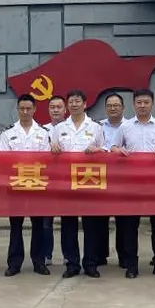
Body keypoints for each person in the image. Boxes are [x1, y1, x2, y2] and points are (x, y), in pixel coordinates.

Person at [111, 88, 155, 278]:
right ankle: (132, 265)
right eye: (139, 102)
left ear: (152, 104)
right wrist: (119, 151)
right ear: (133, 104)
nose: (143, 105)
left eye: (146, 102)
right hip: (132, 184)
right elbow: (113, 147)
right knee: (130, 227)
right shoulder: (125, 126)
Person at [52, 89, 106, 278]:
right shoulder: (59, 128)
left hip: (89, 181)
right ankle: (72, 264)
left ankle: (90, 263)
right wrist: (52, 148)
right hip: (66, 182)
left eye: (77, 101)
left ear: (85, 104)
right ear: (67, 106)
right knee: (68, 225)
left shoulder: (96, 127)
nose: (74, 104)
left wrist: (97, 149)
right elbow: (51, 154)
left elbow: (105, 150)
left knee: (91, 225)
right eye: (71, 102)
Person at [0, 95, 51, 276]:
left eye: (28, 108)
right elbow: (3, 160)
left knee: (39, 226)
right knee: (16, 226)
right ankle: (14, 263)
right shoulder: (8, 133)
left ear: (34, 109)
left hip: (37, 185)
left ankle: (39, 262)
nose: (25, 112)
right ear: (17, 109)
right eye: (22, 108)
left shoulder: (43, 133)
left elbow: (46, 159)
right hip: (15, 186)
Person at [100, 93, 128, 267]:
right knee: (100, 218)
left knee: (124, 219)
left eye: (116, 105)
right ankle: (100, 255)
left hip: (124, 179)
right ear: (105, 108)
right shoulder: (98, 126)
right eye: (109, 105)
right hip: (102, 178)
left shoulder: (130, 126)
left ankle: (124, 257)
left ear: (123, 107)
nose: (113, 108)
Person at [40, 95, 66, 268]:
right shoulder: (41, 130)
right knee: (46, 222)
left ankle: (68, 256)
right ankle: (46, 255)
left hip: (66, 181)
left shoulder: (71, 128)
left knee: (67, 222)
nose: (56, 110)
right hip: (46, 182)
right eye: (52, 107)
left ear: (65, 110)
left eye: (59, 107)